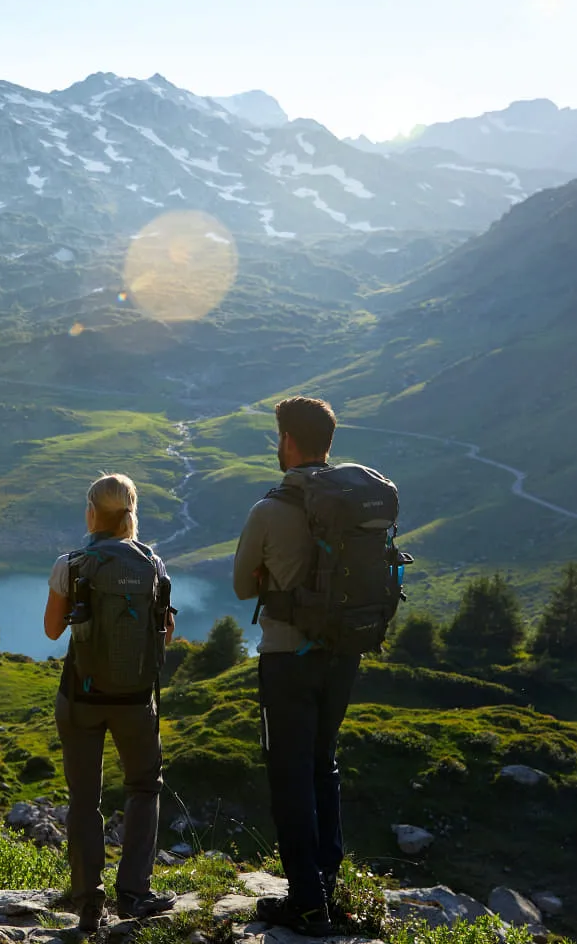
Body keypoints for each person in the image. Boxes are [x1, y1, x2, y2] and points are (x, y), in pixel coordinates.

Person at [232, 396, 358, 935]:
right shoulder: (353, 506)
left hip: (286, 659)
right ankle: (327, 887)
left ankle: (305, 903)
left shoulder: (270, 509)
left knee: (289, 778)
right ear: (328, 443)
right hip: (343, 656)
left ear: (288, 441)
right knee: (322, 764)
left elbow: (242, 587)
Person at [43, 473, 178, 932]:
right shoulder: (155, 566)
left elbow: (52, 629)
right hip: (137, 699)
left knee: (85, 798)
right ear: (131, 514)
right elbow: (166, 634)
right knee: (143, 787)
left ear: (90, 512)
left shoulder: (73, 563)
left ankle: (87, 903)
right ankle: (135, 894)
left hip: (80, 696)